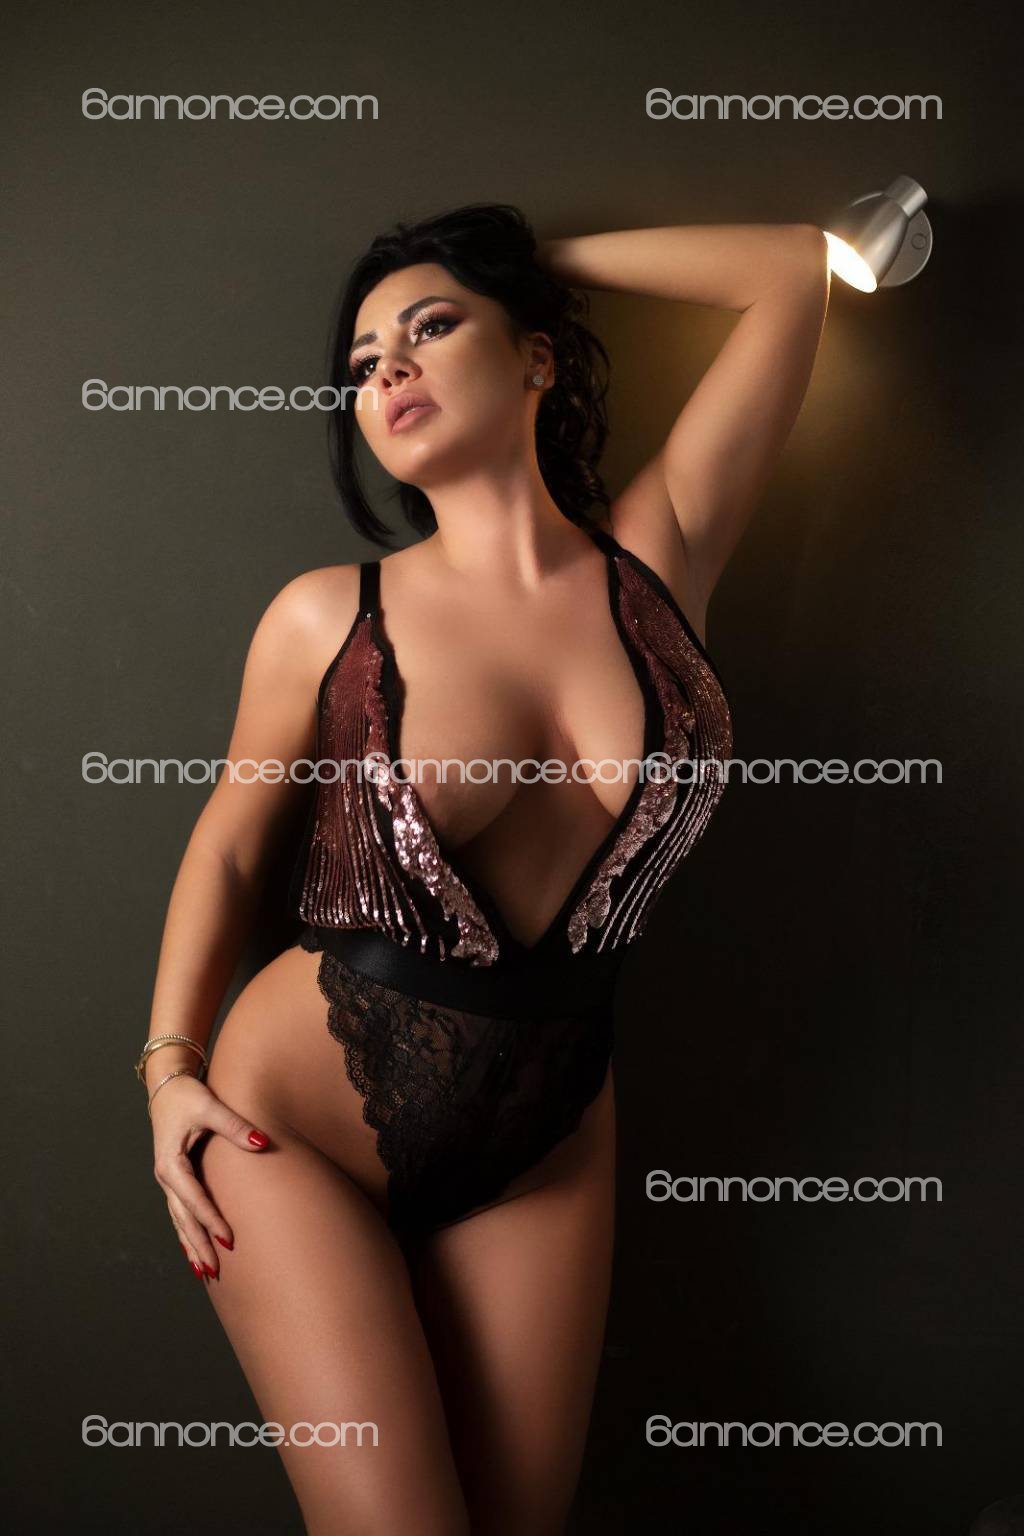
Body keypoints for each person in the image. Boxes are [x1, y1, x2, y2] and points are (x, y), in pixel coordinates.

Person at [139, 203, 829, 1534]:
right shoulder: (328, 614)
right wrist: (168, 1069)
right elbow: (228, 841)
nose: (388, 369)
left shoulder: (661, 558)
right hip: (293, 1122)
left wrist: (521, 263)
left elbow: (791, 272)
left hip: (550, 1129)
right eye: (362, 362)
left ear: (538, 358)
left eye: (432, 326)